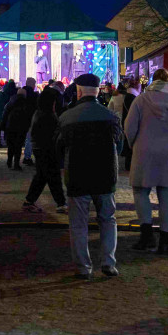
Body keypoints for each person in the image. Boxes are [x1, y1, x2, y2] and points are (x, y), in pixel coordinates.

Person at [55, 73, 123, 279]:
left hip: (77, 175)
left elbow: (58, 148)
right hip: (105, 175)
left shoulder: (67, 117)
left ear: (79, 91)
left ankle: (84, 267)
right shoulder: (110, 117)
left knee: (78, 224)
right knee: (108, 219)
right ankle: (109, 263)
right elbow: (119, 147)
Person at [123, 68, 168, 254]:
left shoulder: (141, 100)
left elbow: (129, 127)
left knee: (140, 191)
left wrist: (133, 145)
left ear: (153, 81)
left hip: (145, 151)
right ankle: (164, 242)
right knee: (167, 196)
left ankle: (146, 236)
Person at [22, 87, 68, 213]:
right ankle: (61, 203)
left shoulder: (40, 113)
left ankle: (29, 201)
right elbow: (51, 136)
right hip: (46, 149)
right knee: (52, 177)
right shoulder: (47, 116)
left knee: (42, 177)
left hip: (41, 148)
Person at [3, 89, 32, 170]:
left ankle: (9, 161)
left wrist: (4, 125)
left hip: (10, 126)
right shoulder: (26, 103)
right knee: (18, 146)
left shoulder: (10, 102)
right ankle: (16, 164)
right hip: (21, 127)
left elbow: (5, 114)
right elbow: (28, 116)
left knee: (10, 145)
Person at [0, 80, 17, 145]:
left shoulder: (1, 95)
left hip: (1, 115)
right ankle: (9, 142)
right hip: (12, 117)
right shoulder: (15, 96)